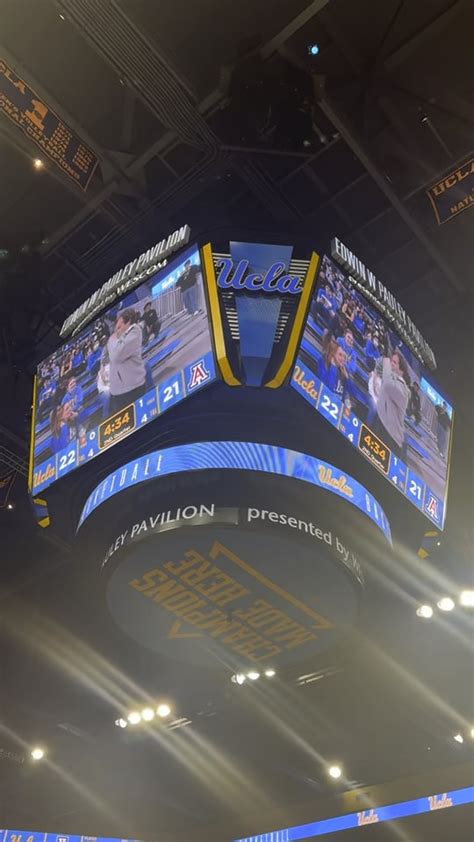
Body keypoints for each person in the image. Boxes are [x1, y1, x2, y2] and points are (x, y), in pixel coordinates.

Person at [101, 308, 146, 414]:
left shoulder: (135, 331)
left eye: (119, 327)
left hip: (132, 390)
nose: (116, 331)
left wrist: (111, 340)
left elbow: (116, 356)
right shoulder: (120, 339)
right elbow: (107, 357)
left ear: (128, 323)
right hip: (119, 392)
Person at [371, 351, 410, 459]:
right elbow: (378, 366)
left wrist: (387, 362)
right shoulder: (390, 377)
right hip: (380, 424)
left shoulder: (403, 389)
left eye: (394, 362)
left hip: (390, 437)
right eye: (391, 361)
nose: (391, 364)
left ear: (401, 370)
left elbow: (388, 385)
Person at [318, 337, 350, 401]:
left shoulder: (343, 372)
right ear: (333, 354)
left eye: (344, 357)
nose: (343, 359)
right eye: (340, 355)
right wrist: (333, 366)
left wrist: (347, 380)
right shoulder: (323, 363)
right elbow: (327, 390)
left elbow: (345, 399)